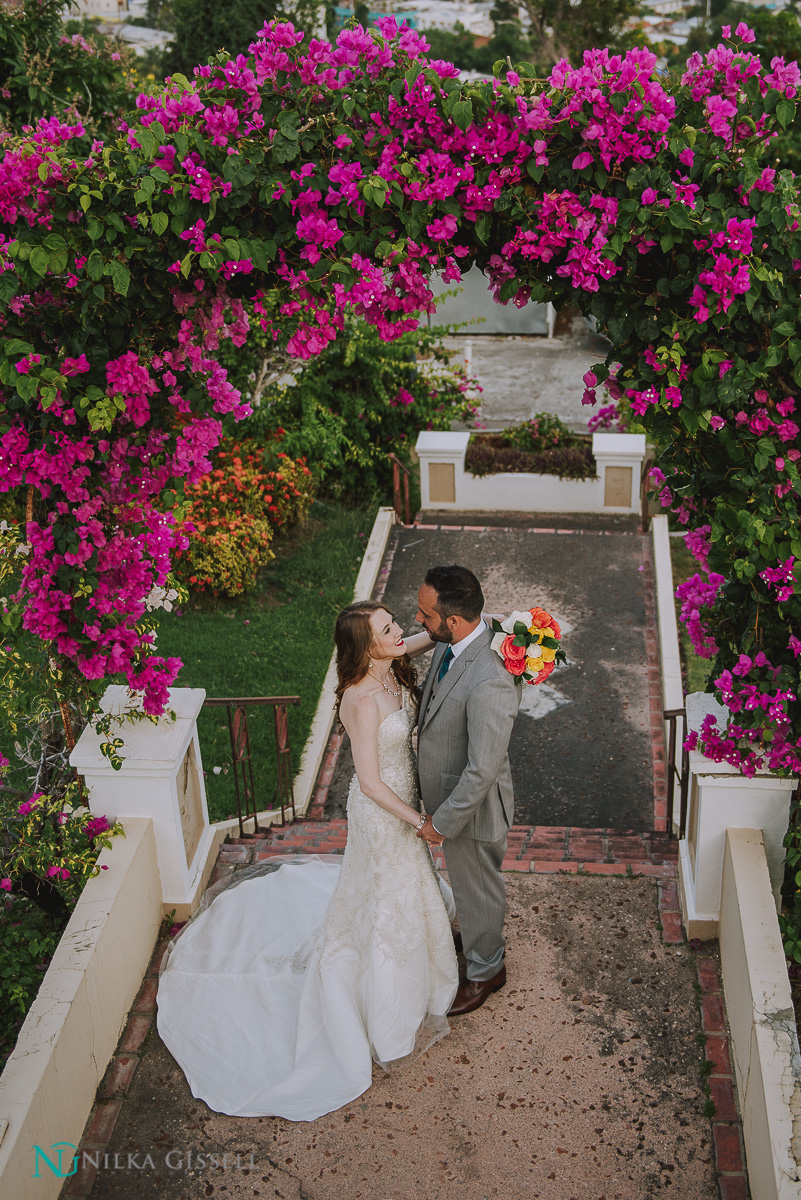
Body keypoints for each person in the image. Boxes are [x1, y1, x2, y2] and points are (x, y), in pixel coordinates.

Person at [155, 600, 458, 1122]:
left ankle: (426, 970)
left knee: (412, 886)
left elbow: (425, 637)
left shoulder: (391, 660)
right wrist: (417, 821)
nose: (398, 632)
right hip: (383, 812)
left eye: (394, 624)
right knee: (386, 894)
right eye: (386, 628)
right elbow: (368, 783)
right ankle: (385, 1007)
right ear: (366, 645)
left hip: (404, 799)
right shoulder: (360, 701)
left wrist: (471, 623)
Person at [414, 564, 521, 1015]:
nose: (419, 621)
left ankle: (485, 970)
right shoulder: (459, 638)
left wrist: (443, 822)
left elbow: (482, 770)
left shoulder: (492, 678)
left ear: (453, 620)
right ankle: (479, 937)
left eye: (425, 615)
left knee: (478, 887)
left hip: (470, 810)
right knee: (470, 884)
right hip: (449, 792)